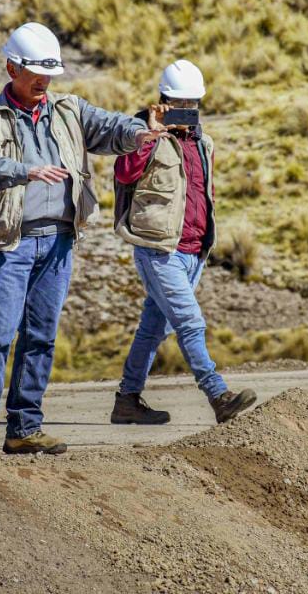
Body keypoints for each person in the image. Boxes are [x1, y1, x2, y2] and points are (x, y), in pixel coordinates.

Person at [0, 22, 167, 461]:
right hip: (11, 243)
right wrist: (24, 171)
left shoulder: (69, 109)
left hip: (58, 241)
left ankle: (24, 428)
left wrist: (139, 133)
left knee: (41, 337)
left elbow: (110, 128)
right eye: (35, 72)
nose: (43, 81)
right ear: (11, 66)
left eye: (48, 73)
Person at [110, 59, 257, 426]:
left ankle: (127, 400)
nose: (187, 112)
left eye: (193, 105)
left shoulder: (203, 142)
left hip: (195, 250)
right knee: (190, 322)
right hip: (159, 250)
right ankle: (218, 394)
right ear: (163, 101)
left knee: (153, 328)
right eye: (180, 104)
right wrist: (151, 132)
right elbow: (124, 172)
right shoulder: (142, 132)